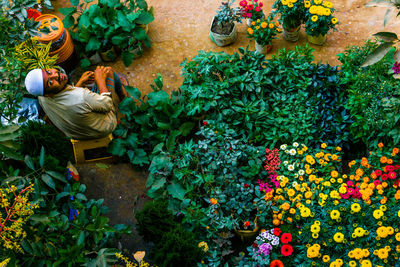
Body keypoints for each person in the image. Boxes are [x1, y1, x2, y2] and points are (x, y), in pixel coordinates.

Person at [24, 66, 128, 140]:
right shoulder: (81, 96)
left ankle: (115, 88)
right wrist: (100, 79)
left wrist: (79, 83)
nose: (56, 75)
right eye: (50, 82)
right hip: (104, 127)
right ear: (47, 94)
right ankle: (124, 96)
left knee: (90, 93)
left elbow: (69, 100)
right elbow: (107, 104)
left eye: (49, 72)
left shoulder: (42, 97)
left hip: (78, 134)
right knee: (108, 71)